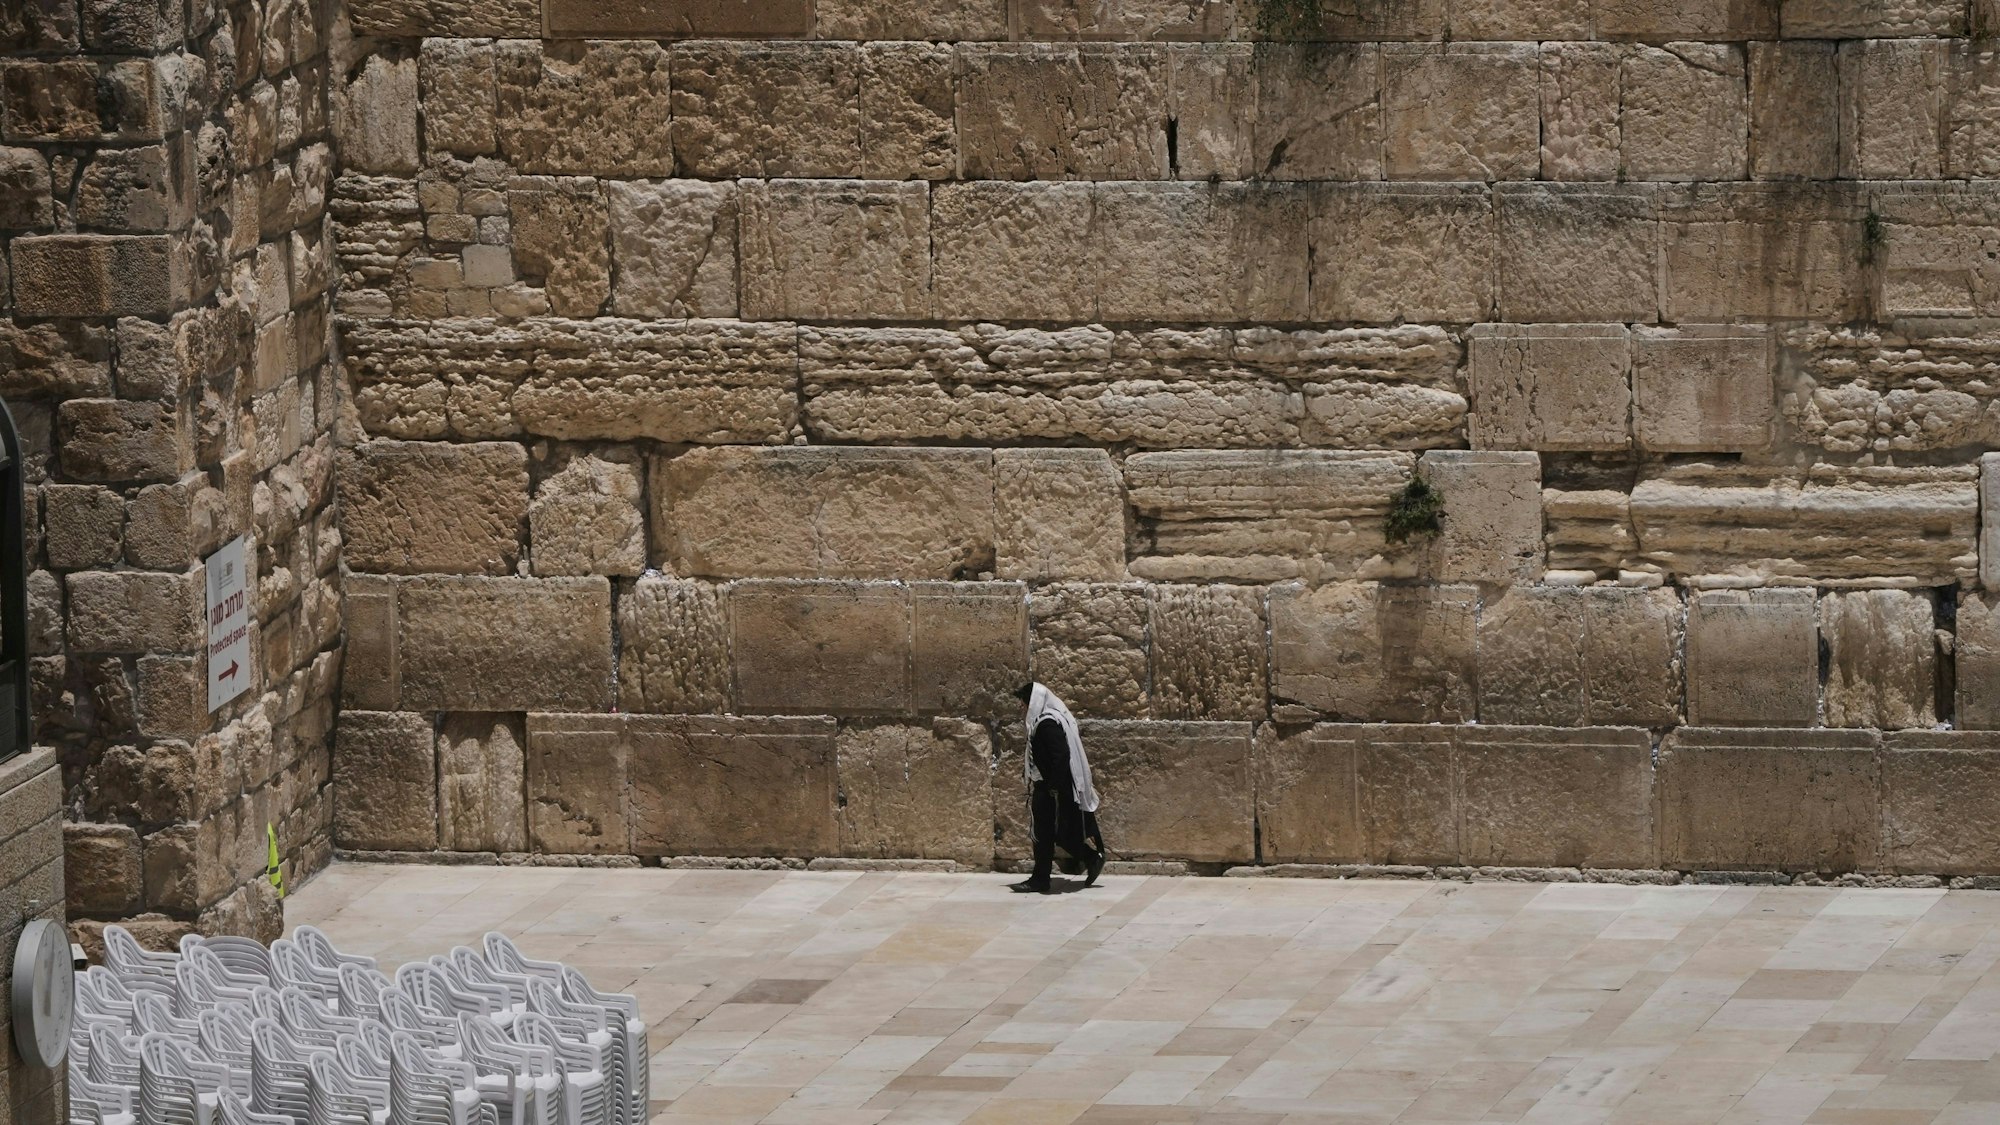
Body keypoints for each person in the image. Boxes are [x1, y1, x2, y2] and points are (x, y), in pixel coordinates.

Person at [1011, 682, 1106, 894]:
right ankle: (1089, 859)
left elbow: (1061, 756)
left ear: (1033, 702)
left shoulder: (1046, 724)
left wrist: (1052, 787)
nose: (1021, 708)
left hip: (1050, 789)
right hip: (1050, 788)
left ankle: (1041, 879)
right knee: (1052, 833)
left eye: (1023, 703)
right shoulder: (1045, 721)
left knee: (1044, 834)